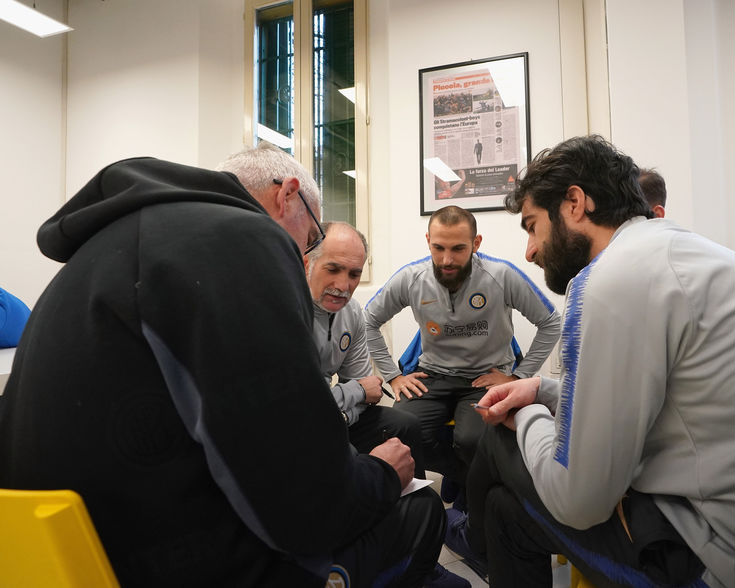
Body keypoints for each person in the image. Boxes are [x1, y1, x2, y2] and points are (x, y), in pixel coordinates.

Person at [0, 142, 447, 588]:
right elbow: (309, 506)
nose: (303, 258)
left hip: (57, 556)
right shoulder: (238, 237)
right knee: (419, 511)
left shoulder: (107, 246)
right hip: (164, 563)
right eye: (311, 240)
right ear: (287, 195)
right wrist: (382, 475)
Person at [447, 135, 735, 587]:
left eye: (531, 226)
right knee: (506, 511)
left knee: (501, 441)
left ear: (574, 204)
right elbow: (659, 402)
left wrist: (527, 415)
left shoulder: (611, 280)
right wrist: (541, 389)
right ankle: (478, 538)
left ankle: (468, 538)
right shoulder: (675, 251)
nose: (530, 250)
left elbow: (578, 503)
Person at [304, 220, 470, 587]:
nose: (343, 284)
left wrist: (347, 401)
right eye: (333, 269)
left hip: (333, 417)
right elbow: (302, 406)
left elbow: (368, 390)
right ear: (307, 263)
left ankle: (421, 553)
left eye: (354, 274)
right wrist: (352, 395)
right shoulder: (287, 312)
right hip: (302, 428)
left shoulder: (351, 313)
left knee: (402, 424)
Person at [364, 205, 561, 511]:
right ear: (428, 241)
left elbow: (551, 322)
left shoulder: (501, 275)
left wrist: (518, 377)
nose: (447, 260)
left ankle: (472, 487)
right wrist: (393, 376)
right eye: (438, 248)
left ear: (476, 243)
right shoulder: (412, 278)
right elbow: (368, 321)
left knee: (472, 439)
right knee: (402, 430)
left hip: (485, 377)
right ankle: (465, 479)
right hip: (432, 375)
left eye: (458, 249)